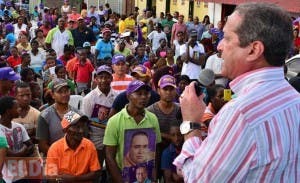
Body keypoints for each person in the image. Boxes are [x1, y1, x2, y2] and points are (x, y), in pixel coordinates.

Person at [173, 3, 299, 182]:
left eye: (227, 38)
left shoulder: (240, 114)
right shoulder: (294, 100)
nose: (220, 46)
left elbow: (197, 179)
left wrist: (191, 125)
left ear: (253, 50)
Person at [104, 80, 161, 183]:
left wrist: (154, 177)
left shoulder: (153, 119)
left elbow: (155, 152)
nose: (143, 97)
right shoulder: (114, 121)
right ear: (129, 96)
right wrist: (120, 180)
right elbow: (109, 156)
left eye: (146, 94)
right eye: (139, 94)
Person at [46, 111, 100, 182]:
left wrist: (74, 179)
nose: (81, 131)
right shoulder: (55, 148)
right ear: (66, 129)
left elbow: (95, 173)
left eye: (83, 126)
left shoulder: (89, 145)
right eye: (76, 127)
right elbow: (51, 177)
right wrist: (61, 180)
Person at [36, 79, 81, 155]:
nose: (64, 94)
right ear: (53, 95)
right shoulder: (45, 115)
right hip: (54, 158)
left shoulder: (76, 113)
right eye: (60, 92)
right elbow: (42, 145)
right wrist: (59, 157)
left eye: (66, 91)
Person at [0, 96, 34, 183]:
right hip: (6, 177)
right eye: (17, 107)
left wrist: (19, 153)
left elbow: (31, 145)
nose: (19, 109)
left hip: (22, 175)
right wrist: (23, 150)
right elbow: (8, 153)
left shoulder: (18, 126)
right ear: (8, 111)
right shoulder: (0, 129)